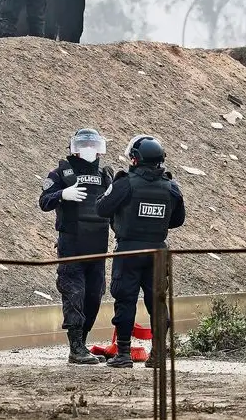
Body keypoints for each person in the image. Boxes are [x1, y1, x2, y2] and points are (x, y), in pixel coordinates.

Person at [95, 135, 186, 368]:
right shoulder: (171, 186)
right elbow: (177, 220)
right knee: (157, 301)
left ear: (135, 159)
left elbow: (102, 208)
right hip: (157, 251)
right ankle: (157, 354)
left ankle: (123, 353)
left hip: (129, 251)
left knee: (125, 300)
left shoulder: (125, 183)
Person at [39, 128, 115, 365]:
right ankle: (75, 347)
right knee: (74, 295)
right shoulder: (61, 173)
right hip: (71, 247)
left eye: (94, 145)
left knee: (94, 297)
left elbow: (115, 208)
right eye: (85, 145)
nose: (90, 150)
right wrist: (62, 194)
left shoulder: (106, 175)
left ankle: (81, 343)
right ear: (74, 148)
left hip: (98, 248)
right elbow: (44, 201)